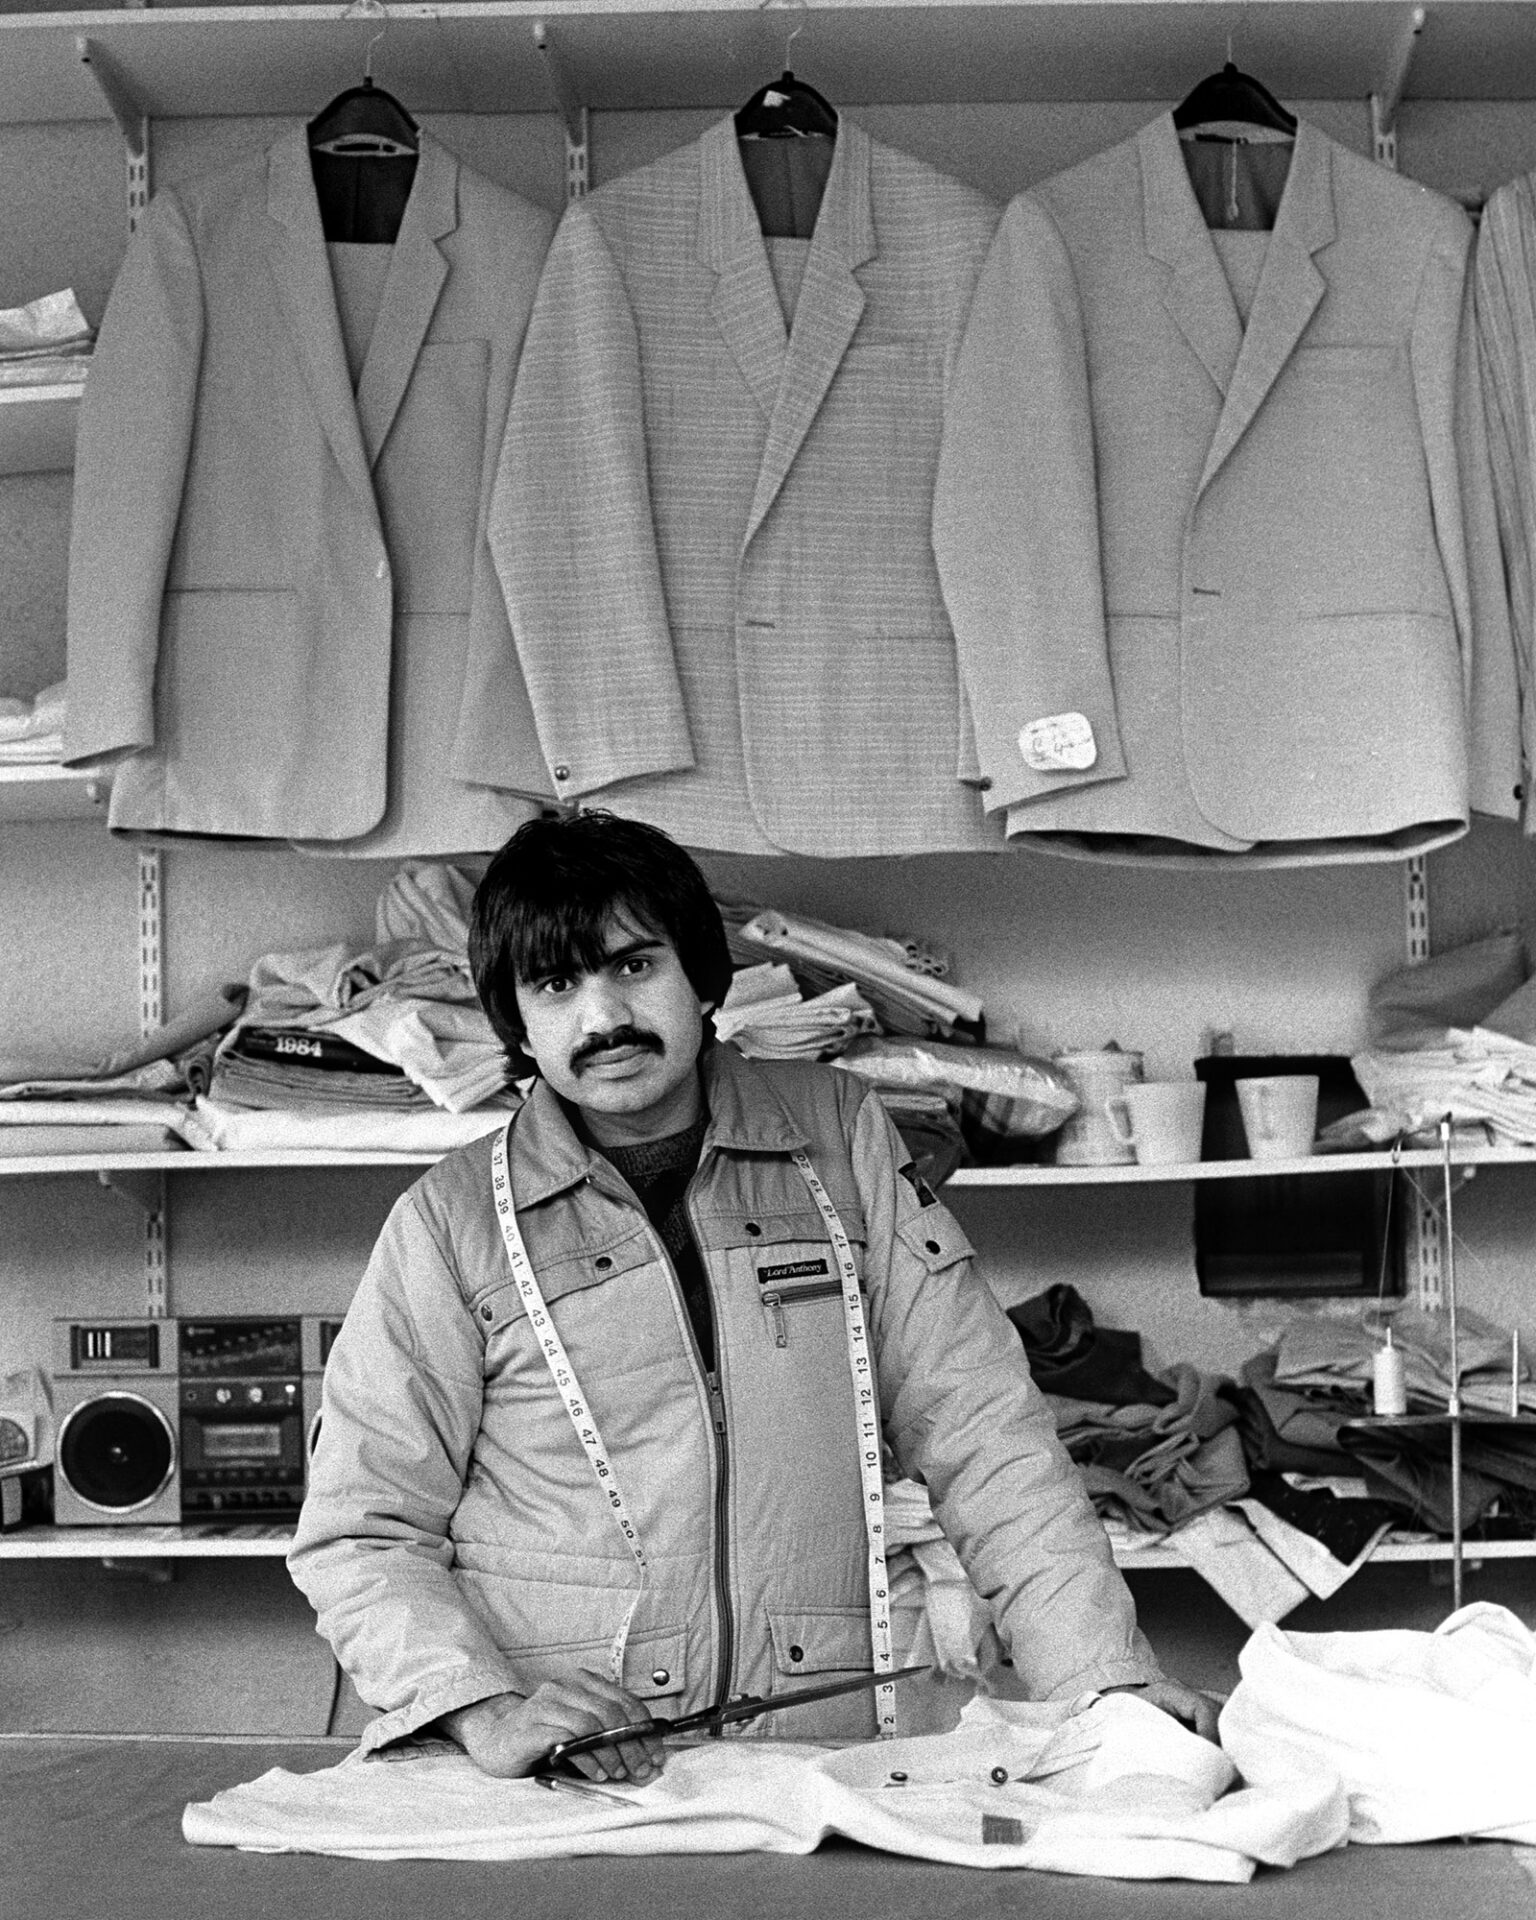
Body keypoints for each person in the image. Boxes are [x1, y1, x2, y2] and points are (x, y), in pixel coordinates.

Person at [288, 812, 1216, 1786]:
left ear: (700, 975)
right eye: (557, 984)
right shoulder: (452, 1222)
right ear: (516, 1021)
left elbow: (984, 1431)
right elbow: (362, 1528)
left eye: (634, 966)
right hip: (573, 1768)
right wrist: (486, 1713)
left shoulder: (842, 1139)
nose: (603, 1017)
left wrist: (1105, 1684)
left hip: (827, 1749)